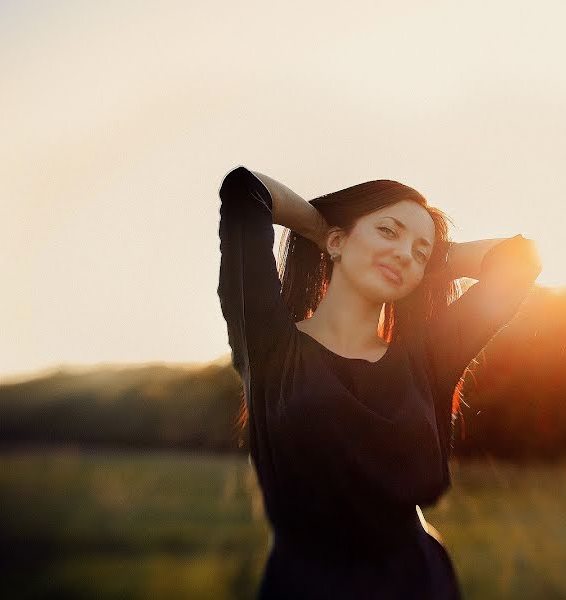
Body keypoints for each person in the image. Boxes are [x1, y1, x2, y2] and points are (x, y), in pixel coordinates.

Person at [217, 164, 542, 599]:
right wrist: (323, 228)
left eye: (419, 251)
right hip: (306, 586)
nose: (406, 252)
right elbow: (246, 190)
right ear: (337, 241)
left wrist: (427, 260)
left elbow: (520, 261)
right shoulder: (270, 345)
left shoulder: (427, 358)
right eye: (388, 231)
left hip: (417, 583)